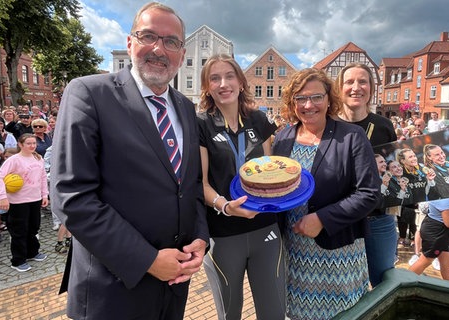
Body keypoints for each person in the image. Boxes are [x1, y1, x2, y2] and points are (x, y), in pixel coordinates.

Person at [50, 3, 209, 319]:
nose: (158, 49)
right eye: (148, 36)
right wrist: (148, 260)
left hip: (174, 285)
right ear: (130, 42)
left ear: (182, 52)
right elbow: (71, 198)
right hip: (112, 289)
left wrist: (201, 238)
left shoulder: (186, 108)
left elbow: (189, 186)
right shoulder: (88, 93)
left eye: (171, 41)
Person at [273, 68, 380, 318]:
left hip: (338, 252)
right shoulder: (283, 138)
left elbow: (369, 193)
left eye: (316, 97)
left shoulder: (352, 136)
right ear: (292, 102)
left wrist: (322, 219)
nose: (308, 105)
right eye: (300, 98)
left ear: (330, 99)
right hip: (294, 251)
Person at [197, 54, 284, 319]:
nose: (223, 84)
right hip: (223, 234)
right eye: (215, 78)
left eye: (229, 76)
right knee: (230, 313)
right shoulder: (201, 124)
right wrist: (225, 206)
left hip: (265, 227)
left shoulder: (258, 120)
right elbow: (200, 183)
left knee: (273, 313)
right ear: (207, 87)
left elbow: (271, 172)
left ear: (241, 82)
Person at [337, 63, 398, 287]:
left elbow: (394, 169)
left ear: (371, 88)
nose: (356, 87)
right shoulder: (329, 124)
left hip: (378, 218)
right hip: (341, 217)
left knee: (384, 282)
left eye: (362, 81)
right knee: (343, 284)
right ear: (339, 88)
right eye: (349, 82)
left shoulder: (383, 125)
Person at [0, 134, 49, 272]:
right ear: (20, 144)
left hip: (34, 199)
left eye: (34, 143)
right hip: (18, 201)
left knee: (33, 228)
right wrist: (3, 197)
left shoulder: (38, 158)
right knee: (19, 231)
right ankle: (18, 260)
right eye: (28, 143)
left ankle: (32, 252)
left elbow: (42, 177)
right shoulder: (14, 160)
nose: (32, 146)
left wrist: (44, 194)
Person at [409, 198, 449, 281]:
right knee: (425, 261)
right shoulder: (445, 199)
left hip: (436, 229)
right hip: (436, 233)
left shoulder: (442, 195)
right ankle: (402, 281)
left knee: (445, 263)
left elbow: (438, 208)